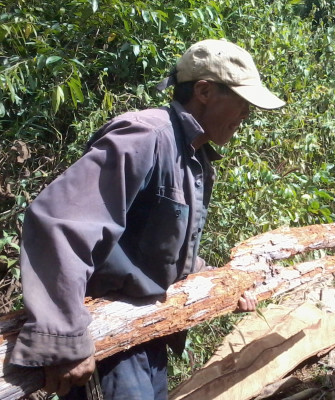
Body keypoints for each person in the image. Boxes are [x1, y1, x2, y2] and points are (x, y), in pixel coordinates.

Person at [10, 39, 285, 399]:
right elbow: (60, 222)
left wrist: (224, 282)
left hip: (146, 330)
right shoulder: (145, 136)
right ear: (204, 91)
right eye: (242, 102)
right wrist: (63, 338)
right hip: (106, 336)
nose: (246, 115)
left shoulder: (193, 157)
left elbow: (159, 248)